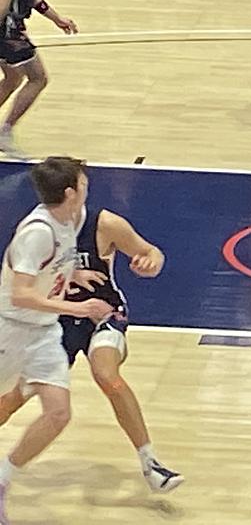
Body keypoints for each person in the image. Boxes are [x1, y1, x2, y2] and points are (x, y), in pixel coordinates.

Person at [0, 206, 184, 494]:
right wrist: (71, 274)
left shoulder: (105, 223)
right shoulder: (38, 228)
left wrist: (150, 263)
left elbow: (152, 252)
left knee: (105, 373)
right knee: (12, 397)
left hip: (104, 313)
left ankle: (151, 464)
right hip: (57, 321)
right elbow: (24, 279)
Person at [0, 157, 114, 521]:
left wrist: (71, 274)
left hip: (44, 330)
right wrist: (79, 309)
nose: (87, 185)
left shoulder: (71, 219)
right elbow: (20, 294)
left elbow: (52, 266)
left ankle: (2, 478)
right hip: (11, 328)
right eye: (83, 182)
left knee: (58, 412)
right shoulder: (37, 232)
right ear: (70, 192)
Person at [0, 0, 78, 160]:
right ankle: (6, 131)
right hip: (6, 27)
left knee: (12, 78)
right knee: (37, 77)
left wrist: (56, 18)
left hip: (9, 24)